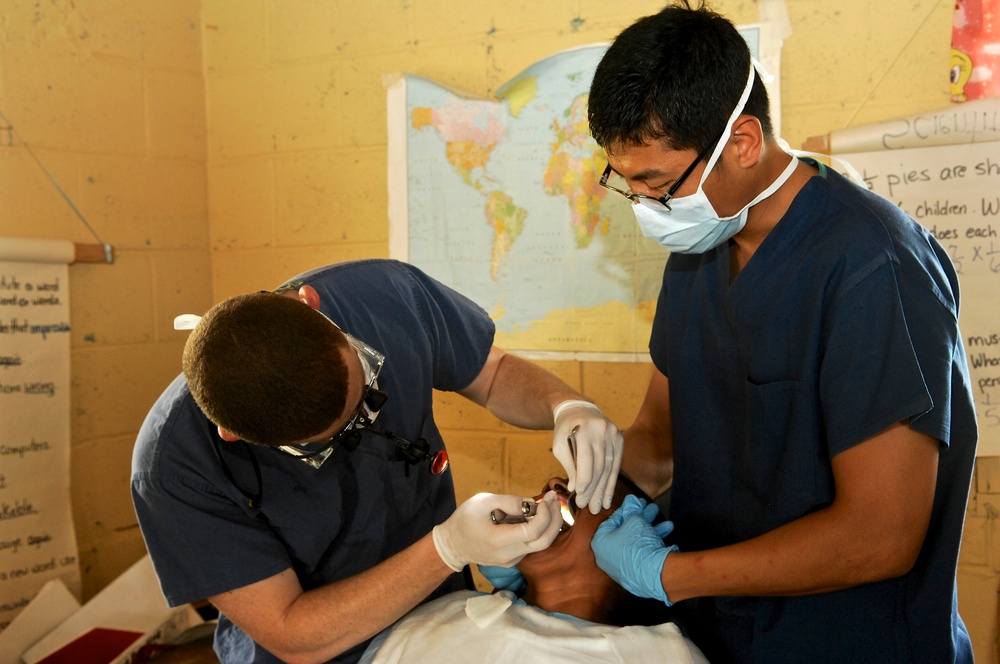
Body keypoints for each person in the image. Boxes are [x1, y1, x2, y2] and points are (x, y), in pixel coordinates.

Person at [583, 3, 979, 663]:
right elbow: (658, 442)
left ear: (742, 142)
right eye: (625, 185)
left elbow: (882, 535)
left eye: (655, 184)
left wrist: (668, 575)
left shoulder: (872, 266)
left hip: (853, 644)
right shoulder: (701, 250)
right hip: (722, 637)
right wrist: (567, 507)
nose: (647, 210)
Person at [131, 258, 624, 664]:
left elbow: (491, 375)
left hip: (442, 610)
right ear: (232, 435)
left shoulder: (383, 297)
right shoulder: (175, 468)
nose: (365, 423)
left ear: (311, 302)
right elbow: (290, 630)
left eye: (366, 388)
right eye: (328, 440)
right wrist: (446, 548)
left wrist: (566, 405)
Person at [359, 475, 708, 663]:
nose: (553, 485)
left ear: (631, 552)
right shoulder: (437, 615)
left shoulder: (664, 657)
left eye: (581, 497)